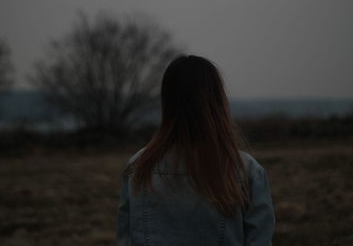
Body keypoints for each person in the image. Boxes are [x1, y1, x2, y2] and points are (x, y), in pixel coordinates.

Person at [116, 54, 275, 246]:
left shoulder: (138, 166)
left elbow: (125, 240)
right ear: (217, 101)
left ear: (167, 101)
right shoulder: (247, 170)